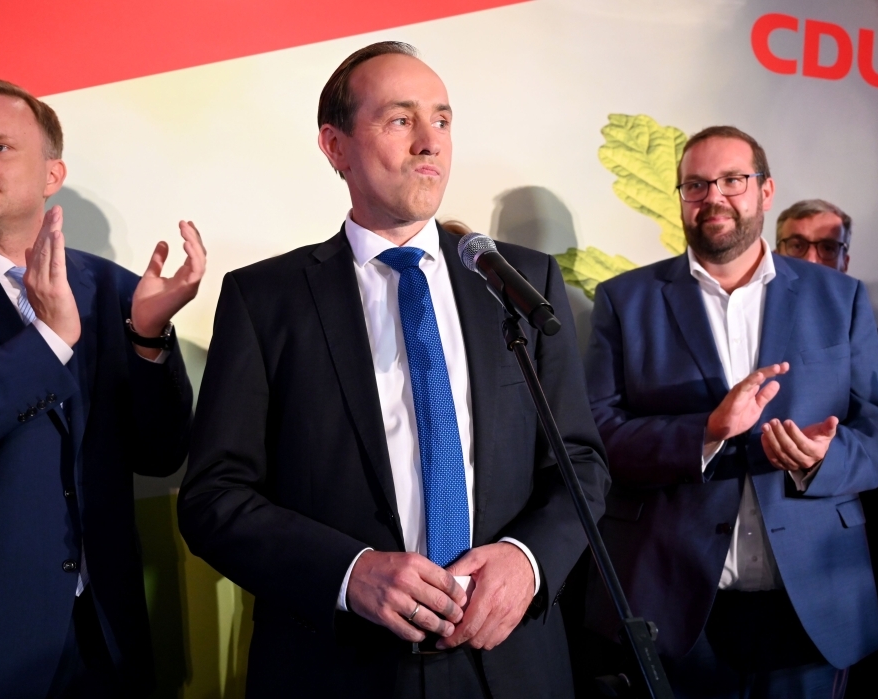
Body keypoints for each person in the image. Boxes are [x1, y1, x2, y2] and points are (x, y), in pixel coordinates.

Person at [177, 41, 609, 698]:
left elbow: (580, 463)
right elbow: (213, 499)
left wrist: (528, 562)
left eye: (441, 119)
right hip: (339, 664)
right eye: (401, 120)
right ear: (336, 145)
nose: (430, 142)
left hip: (511, 658)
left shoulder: (516, 282)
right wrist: (350, 572)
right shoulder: (266, 300)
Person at [581, 125, 878, 699]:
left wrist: (824, 458)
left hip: (813, 603)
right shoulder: (624, 300)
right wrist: (705, 433)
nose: (714, 197)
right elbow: (595, 437)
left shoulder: (841, 298)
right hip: (675, 606)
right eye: (696, 185)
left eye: (733, 180)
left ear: (765, 190)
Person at [0, 79, 205, 698]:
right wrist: (46, 344)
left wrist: (149, 340)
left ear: (53, 173)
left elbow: (161, 454)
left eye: (0, 146)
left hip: (104, 636)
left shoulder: (116, 289)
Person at [775, 198, 878, 698]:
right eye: (797, 244)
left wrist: (840, 455)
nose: (813, 259)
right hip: (774, 574)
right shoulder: (750, 351)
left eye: (829, 247)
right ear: (775, 251)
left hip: (870, 567)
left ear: (846, 260)